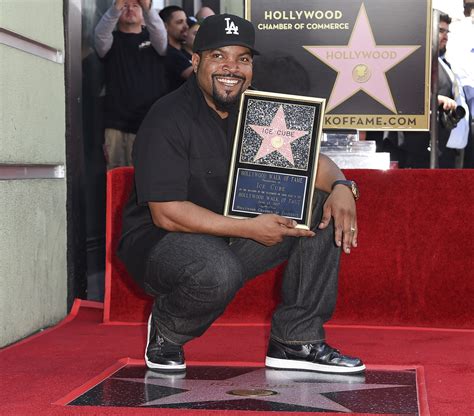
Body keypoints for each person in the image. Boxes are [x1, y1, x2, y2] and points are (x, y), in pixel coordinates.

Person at [118, 14, 365, 374]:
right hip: (163, 243)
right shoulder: (167, 116)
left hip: (230, 235)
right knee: (216, 270)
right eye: (218, 56)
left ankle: (295, 340)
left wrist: (343, 187)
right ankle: (167, 331)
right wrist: (248, 229)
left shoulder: (258, 110)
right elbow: (166, 214)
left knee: (318, 203)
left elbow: (315, 162)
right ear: (196, 60)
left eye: (243, 59)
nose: (231, 67)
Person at [94, 0, 168, 170]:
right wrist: (116, 7)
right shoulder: (111, 41)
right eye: (125, 5)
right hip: (115, 122)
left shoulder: (153, 41)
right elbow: (100, 35)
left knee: (144, 176)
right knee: (115, 174)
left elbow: (160, 35)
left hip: (146, 121)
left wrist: (148, 7)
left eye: (135, 5)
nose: (130, 9)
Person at [159, 6, 193, 91]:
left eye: (186, 21)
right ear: (165, 26)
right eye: (179, 22)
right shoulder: (170, 53)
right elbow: (198, 77)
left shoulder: (184, 51)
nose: (186, 26)